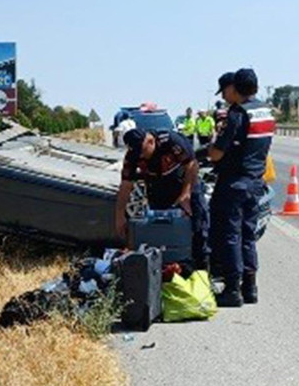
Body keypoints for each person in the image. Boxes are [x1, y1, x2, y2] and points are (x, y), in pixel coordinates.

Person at [208, 68, 275, 307]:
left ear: (235, 88)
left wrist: (210, 150)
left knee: (230, 234)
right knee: (248, 234)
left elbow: (217, 154)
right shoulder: (265, 112)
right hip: (256, 181)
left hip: (235, 182)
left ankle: (232, 290)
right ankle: (250, 287)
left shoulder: (237, 114)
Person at [115, 128, 210, 269]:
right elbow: (126, 185)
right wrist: (119, 216)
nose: (140, 156)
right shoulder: (133, 155)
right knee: (161, 230)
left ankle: (202, 268)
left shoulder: (170, 141)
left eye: (142, 151)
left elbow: (191, 164)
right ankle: (166, 270)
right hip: (159, 188)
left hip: (185, 182)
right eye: (137, 153)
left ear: (150, 141)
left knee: (198, 227)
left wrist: (185, 195)